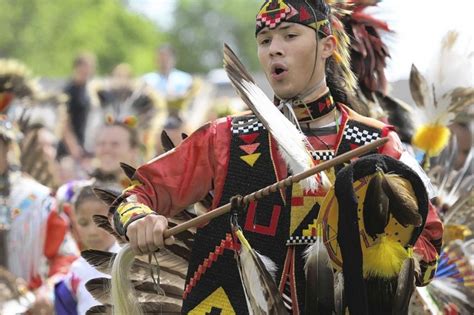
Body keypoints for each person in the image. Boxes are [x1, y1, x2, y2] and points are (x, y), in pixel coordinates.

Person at [108, 1, 442, 313]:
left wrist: (385, 253)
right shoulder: (226, 138)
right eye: (265, 40)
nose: (274, 49)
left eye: (290, 35)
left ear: (326, 46)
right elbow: (136, 194)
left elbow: (427, 244)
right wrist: (139, 219)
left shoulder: (377, 143)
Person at [54, 186, 120, 315]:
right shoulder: (76, 273)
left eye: (100, 221)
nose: (92, 232)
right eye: (83, 223)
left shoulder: (135, 261)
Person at [60, 52, 97, 161]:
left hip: (84, 145)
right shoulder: (69, 90)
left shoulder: (87, 89)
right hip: (70, 149)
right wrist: (73, 146)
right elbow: (64, 120)